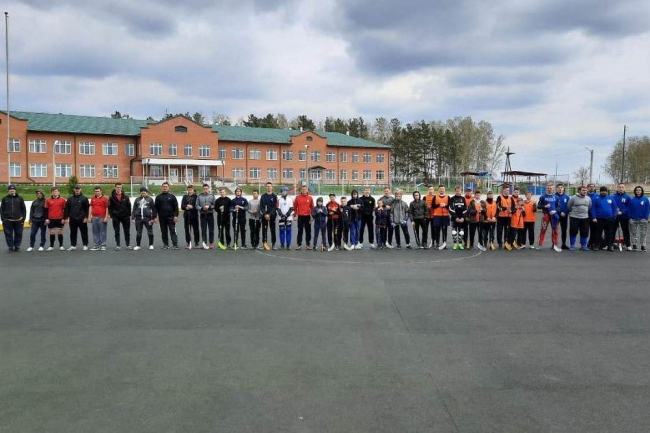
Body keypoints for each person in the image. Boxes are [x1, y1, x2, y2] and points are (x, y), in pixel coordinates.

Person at [590, 186, 618, 251]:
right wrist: (593, 217)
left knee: (609, 233)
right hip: (599, 219)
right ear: (600, 192)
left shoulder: (610, 198)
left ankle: (610, 246)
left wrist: (614, 216)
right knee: (598, 233)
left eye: (604, 191)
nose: (603, 192)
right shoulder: (596, 199)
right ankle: (597, 245)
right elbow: (593, 209)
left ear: (606, 191)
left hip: (609, 218)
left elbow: (614, 208)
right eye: (602, 191)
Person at [536, 182, 561, 252]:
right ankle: (540, 244)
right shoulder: (543, 197)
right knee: (543, 230)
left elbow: (559, 207)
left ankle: (555, 245)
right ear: (546, 189)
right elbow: (538, 206)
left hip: (554, 216)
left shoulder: (556, 197)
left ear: (553, 189)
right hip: (546, 215)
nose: (549, 189)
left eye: (551, 188)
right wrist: (544, 206)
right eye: (548, 188)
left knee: (555, 230)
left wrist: (555, 211)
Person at [154, 182, 180, 250]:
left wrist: (176, 216)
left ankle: (175, 245)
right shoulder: (158, 197)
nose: (165, 188)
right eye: (164, 186)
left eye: (166, 186)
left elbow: (176, 207)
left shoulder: (172, 196)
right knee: (163, 231)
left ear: (168, 188)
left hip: (171, 217)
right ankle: (166, 244)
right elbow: (155, 208)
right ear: (162, 187)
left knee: (173, 231)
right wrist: (155, 217)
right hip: (162, 217)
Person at [1, 185, 26, 252]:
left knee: (19, 233)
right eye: (10, 189)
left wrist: (23, 219)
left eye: (13, 189)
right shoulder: (4, 199)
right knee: (8, 234)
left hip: (18, 220)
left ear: (15, 190)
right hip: (7, 220)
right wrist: (3, 219)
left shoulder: (20, 198)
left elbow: (23, 209)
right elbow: (2, 210)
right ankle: (10, 247)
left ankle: (17, 246)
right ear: (8, 191)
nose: (12, 190)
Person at [64, 185, 90, 251]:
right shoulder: (70, 199)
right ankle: (73, 245)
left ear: (80, 190)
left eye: (78, 189)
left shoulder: (84, 198)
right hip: (72, 218)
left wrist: (86, 217)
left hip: (82, 218)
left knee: (84, 232)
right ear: (74, 189)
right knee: (73, 232)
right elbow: (67, 209)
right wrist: (66, 218)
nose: (77, 190)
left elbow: (87, 209)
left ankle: (85, 245)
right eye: (76, 189)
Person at [567, 185, 592, 251]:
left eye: (586, 190)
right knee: (573, 231)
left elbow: (589, 206)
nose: (585, 191)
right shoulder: (573, 198)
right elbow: (569, 206)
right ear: (579, 191)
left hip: (585, 218)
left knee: (585, 232)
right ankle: (572, 245)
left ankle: (583, 246)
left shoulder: (588, 198)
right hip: (574, 217)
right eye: (583, 190)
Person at [108, 182, 132, 250]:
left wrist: (128, 215)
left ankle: (128, 245)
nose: (118, 188)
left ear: (121, 188)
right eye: (117, 187)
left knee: (127, 231)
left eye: (120, 187)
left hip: (125, 217)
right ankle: (118, 245)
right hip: (116, 217)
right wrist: (112, 216)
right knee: (117, 231)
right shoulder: (111, 197)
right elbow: (110, 207)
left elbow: (129, 206)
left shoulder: (126, 196)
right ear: (115, 187)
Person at [44, 187, 66, 251]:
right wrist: (46, 218)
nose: (55, 192)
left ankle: (61, 246)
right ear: (51, 192)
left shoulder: (63, 200)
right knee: (52, 232)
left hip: (60, 218)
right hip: (51, 218)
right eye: (53, 191)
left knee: (60, 232)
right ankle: (51, 246)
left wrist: (64, 218)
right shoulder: (48, 200)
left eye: (56, 191)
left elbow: (65, 210)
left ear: (59, 192)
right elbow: (46, 210)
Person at [89, 186, 110, 251]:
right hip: (94, 217)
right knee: (95, 231)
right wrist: (89, 216)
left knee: (102, 232)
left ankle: (103, 245)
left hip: (102, 217)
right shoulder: (92, 198)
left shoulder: (105, 198)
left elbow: (107, 208)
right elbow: (91, 207)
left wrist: (106, 217)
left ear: (101, 191)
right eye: (95, 191)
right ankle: (96, 245)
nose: (96, 192)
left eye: (98, 191)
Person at [629, 186, 649, 252]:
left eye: (639, 190)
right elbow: (629, 209)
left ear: (642, 191)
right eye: (637, 190)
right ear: (635, 191)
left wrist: (646, 217)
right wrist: (630, 217)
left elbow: (647, 209)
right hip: (633, 219)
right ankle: (634, 245)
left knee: (643, 233)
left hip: (643, 219)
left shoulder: (645, 199)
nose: (638, 191)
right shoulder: (632, 199)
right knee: (633, 233)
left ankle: (643, 246)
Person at [293, 185, 314, 250]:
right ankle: (299, 245)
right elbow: (295, 207)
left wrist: (312, 216)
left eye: (305, 189)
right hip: (300, 217)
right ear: (301, 190)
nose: (304, 190)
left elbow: (312, 207)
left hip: (307, 217)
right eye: (302, 189)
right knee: (300, 231)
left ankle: (308, 245)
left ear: (307, 190)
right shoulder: (297, 197)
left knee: (308, 231)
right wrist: (295, 215)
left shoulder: (310, 198)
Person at [612, 183, 632, 250]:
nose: (621, 188)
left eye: (622, 187)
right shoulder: (612, 196)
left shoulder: (628, 197)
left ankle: (628, 244)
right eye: (619, 187)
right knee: (612, 230)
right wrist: (615, 210)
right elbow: (610, 205)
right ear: (617, 188)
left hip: (624, 216)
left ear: (624, 188)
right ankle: (611, 243)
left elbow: (629, 207)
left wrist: (622, 212)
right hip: (615, 216)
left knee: (625, 230)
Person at [196, 184, 216, 249]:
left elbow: (215, 205)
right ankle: (204, 243)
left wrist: (209, 207)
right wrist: (202, 208)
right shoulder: (199, 197)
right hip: (202, 215)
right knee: (203, 230)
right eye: (204, 188)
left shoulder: (212, 196)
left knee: (211, 230)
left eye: (206, 188)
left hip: (210, 214)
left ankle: (211, 243)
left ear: (208, 188)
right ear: (202, 189)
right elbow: (196, 206)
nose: (205, 189)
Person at [180, 185, 200, 249]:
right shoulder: (185, 197)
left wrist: (192, 207)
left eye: (191, 190)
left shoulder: (196, 197)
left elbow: (197, 205)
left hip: (194, 215)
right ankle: (188, 243)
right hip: (186, 216)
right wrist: (186, 207)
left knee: (196, 230)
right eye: (189, 190)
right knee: (187, 230)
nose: (190, 191)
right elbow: (182, 206)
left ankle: (196, 243)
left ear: (193, 190)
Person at [260, 182, 278, 250]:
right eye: (267, 186)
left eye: (270, 186)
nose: (269, 187)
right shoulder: (263, 196)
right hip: (264, 216)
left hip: (272, 216)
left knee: (273, 230)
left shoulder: (274, 196)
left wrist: (269, 214)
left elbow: (275, 207)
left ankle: (273, 244)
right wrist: (265, 214)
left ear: (272, 187)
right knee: (264, 230)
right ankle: (264, 243)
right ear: (266, 187)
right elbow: (261, 207)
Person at [449, 186, 468, 250]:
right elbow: (451, 209)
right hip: (454, 218)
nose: (458, 192)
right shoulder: (452, 199)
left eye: (459, 191)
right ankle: (455, 244)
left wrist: (463, 217)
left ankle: (460, 244)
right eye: (456, 191)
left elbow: (465, 209)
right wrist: (456, 217)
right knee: (454, 232)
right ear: (455, 191)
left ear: (461, 191)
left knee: (461, 232)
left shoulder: (463, 199)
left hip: (461, 219)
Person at [432, 185, 450, 249]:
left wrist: (445, 205)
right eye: (440, 189)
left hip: (445, 216)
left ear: (444, 190)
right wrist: (439, 205)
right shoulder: (435, 197)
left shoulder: (448, 197)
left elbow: (450, 206)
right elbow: (433, 206)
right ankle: (437, 243)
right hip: (437, 216)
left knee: (444, 231)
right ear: (438, 190)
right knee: (437, 230)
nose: (441, 190)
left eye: (443, 189)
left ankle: (444, 244)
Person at [496, 185, 514, 249]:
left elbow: (513, 207)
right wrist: (505, 208)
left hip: (508, 217)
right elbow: (498, 207)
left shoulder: (511, 198)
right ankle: (500, 243)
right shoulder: (499, 197)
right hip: (501, 217)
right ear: (503, 190)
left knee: (507, 231)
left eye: (508, 190)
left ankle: (506, 242)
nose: (507, 191)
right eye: (506, 190)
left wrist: (511, 211)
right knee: (499, 231)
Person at [555, 183, 570, 249]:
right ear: (556, 189)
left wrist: (565, 213)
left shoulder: (567, 197)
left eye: (561, 187)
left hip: (564, 216)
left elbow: (569, 206)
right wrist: (560, 212)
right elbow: (553, 206)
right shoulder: (554, 196)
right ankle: (554, 244)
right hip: (556, 215)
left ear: (563, 188)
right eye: (558, 187)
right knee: (555, 230)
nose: (560, 189)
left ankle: (563, 244)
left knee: (564, 230)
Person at [586, 183, 599, 249]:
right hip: (585, 215)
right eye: (590, 186)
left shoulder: (597, 196)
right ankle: (584, 243)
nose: (591, 188)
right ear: (587, 188)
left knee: (594, 230)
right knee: (585, 230)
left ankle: (592, 243)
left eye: (593, 187)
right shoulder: (585, 195)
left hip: (594, 216)